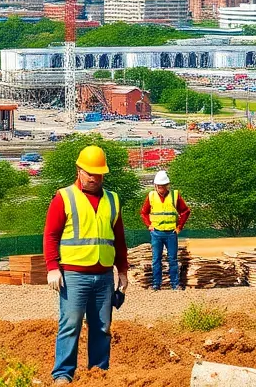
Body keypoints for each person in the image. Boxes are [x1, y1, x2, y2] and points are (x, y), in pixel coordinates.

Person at [43, 145, 129, 386]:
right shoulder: (64, 197)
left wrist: (122, 271)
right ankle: (63, 375)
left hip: (103, 276)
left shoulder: (112, 199)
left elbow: (118, 238)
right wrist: (52, 267)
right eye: (89, 173)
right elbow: (51, 235)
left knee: (102, 327)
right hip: (73, 275)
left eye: (98, 173)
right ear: (79, 170)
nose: (94, 178)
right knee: (70, 325)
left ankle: (98, 373)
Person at [140, 169, 190, 291]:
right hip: (156, 233)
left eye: (163, 186)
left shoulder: (174, 196)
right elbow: (144, 212)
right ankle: (156, 284)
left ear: (167, 185)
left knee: (172, 259)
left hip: (171, 233)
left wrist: (179, 227)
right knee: (156, 259)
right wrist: (149, 225)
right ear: (155, 186)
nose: (161, 189)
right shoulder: (151, 196)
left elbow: (185, 211)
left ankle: (175, 284)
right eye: (159, 186)